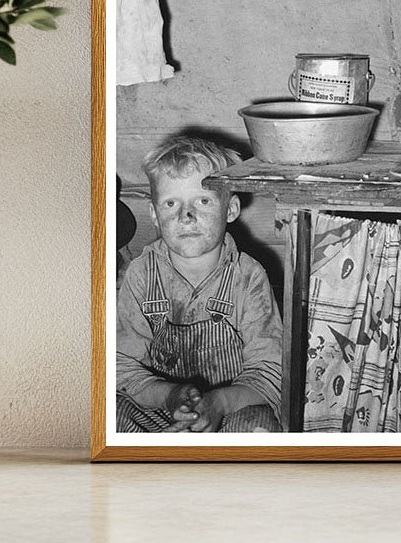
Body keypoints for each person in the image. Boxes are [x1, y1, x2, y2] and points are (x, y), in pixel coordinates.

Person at [116, 136, 282, 433]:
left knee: (257, 427)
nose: (186, 216)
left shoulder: (248, 277)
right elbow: (121, 367)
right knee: (111, 415)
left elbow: (270, 373)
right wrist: (170, 396)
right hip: (161, 407)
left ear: (230, 210)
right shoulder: (141, 273)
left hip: (231, 407)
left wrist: (218, 403)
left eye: (203, 201)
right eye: (170, 204)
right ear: (154, 215)